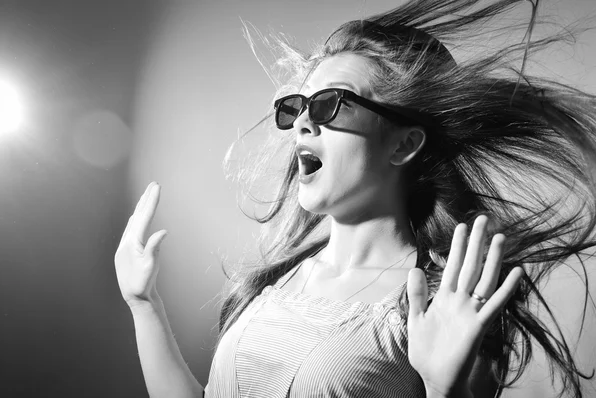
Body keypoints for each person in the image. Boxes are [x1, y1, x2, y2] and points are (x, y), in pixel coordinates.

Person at [114, 0, 596, 397]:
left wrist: (444, 391)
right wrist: (144, 305)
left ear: (404, 143)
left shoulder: (438, 305)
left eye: (330, 104)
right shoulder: (280, 281)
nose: (303, 121)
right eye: (297, 107)